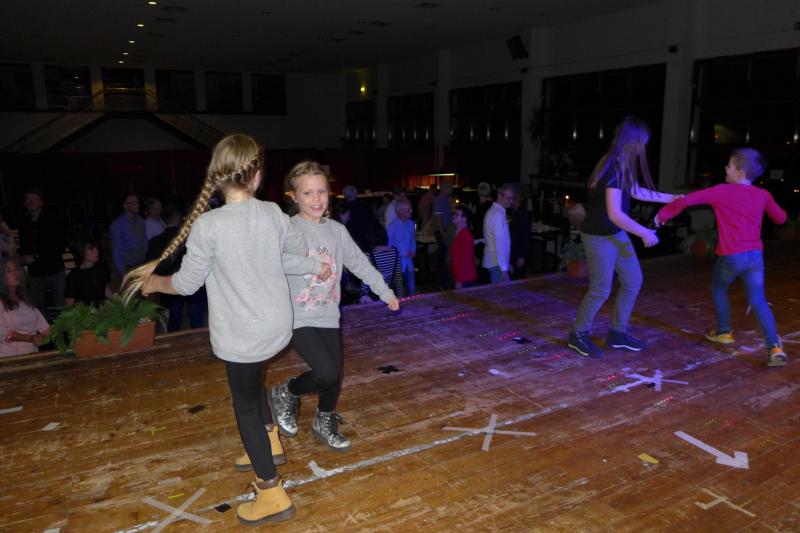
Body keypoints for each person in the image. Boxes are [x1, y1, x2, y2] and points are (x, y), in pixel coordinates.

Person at [123, 134, 330, 525]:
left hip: (243, 335)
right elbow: (287, 256)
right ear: (257, 175)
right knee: (255, 380)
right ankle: (270, 440)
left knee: (245, 404)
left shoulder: (209, 225)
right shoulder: (272, 212)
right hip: (276, 327)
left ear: (217, 176)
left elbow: (186, 284)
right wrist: (313, 265)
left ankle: (271, 494)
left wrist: (154, 283)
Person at [269, 160, 399, 453]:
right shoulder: (288, 228)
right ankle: (286, 391)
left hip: (328, 313)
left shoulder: (337, 231)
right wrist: (312, 265)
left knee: (333, 376)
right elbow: (273, 261)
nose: (316, 199)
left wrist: (384, 291)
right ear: (293, 196)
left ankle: (323, 420)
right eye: (307, 193)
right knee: (327, 371)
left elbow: (359, 263)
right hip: (297, 315)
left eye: (321, 192)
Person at [656, 148, 788, 367]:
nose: (725, 168)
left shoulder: (721, 191)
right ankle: (775, 348)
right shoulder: (762, 194)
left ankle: (724, 332)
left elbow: (686, 200)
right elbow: (781, 218)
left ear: (739, 172)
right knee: (758, 300)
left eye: (729, 165)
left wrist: (663, 215)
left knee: (719, 288)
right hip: (755, 257)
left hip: (731, 256)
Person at [567, 118, 680, 359]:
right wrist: (644, 232)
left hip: (614, 233)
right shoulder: (613, 168)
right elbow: (615, 214)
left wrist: (671, 198)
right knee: (601, 289)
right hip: (598, 235)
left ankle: (618, 334)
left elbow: (636, 191)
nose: (643, 148)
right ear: (633, 142)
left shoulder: (622, 164)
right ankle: (578, 334)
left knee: (633, 280)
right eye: (643, 143)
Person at [146, 203, 207, 331]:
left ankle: (172, 339)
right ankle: (198, 338)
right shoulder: (189, 238)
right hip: (192, 283)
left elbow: (152, 266)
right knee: (196, 316)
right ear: (179, 219)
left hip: (168, 285)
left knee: (174, 318)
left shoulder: (154, 241)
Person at [18, 189, 66, 313]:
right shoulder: (24, 222)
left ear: (41, 202)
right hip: (35, 274)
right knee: (37, 310)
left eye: (34, 199)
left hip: (54, 270)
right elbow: (25, 246)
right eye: (28, 200)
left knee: (60, 307)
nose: (31, 202)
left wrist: (36, 256)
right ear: (25, 203)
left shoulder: (53, 220)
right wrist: (20, 256)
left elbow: (60, 246)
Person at [1, 257, 50, 357]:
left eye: (16, 269)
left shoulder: (26, 300)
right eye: (9, 271)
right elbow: (4, 334)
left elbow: (45, 328)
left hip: (32, 354)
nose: (15, 273)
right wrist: (31, 338)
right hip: (9, 358)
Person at [359, 223, 405, 302]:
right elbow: (398, 276)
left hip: (375, 293)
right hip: (390, 291)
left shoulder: (370, 254)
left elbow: (367, 278)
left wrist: (363, 294)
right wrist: (400, 296)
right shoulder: (395, 251)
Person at [64, 236, 112, 306]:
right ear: (81, 252)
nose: (96, 251)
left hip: (102, 309)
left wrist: (116, 302)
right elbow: (69, 304)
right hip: (84, 311)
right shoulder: (73, 276)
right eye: (91, 249)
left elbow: (105, 289)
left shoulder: (102, 268)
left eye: (96, 248)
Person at [482, 183, 514, 283]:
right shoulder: (498, 215)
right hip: (496, 263)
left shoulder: (495, 211)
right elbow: (500, 243)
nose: (511, 201)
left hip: (495, 262)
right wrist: (504, 269)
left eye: (512, 198)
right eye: (508, 198)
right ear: (499, 196)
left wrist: (506, 264)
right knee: (501, 291)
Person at [110, 193, 147, 278]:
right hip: (128, 266)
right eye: (133, 203)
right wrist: (123, 273)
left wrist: (144, 260)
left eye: (137, 202)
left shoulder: (140, 220)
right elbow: (116, 251)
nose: (137, 205)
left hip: (141, 263)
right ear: (125, 206)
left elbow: (145, 240)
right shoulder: (117, 225)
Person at [387, 197, 416, 295]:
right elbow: (389, 246)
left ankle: (412, 304)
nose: (411, 211)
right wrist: (402, 253)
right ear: (400, 211)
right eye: (409, 209)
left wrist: (413, 250)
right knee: (399, 290)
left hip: (409, 261)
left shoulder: (411, 224)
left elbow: (413, 239)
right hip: (397, 263)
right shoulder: (392, 226)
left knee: (411, 288)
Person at [450, 205, 478, 289]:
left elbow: (465, 259)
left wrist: (459, 280)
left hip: (466, 278)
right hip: (463, 277)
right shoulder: (459, 232)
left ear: (464, 218)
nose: (453, 216)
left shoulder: (465, 235)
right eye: (454, 214)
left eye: (456, 214)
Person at [510, 189, 532, 280]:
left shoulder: (523, 214)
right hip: (514, 250)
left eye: (512, 199)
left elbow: (526, 237)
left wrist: (522, 256)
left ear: (517, 200)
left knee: (517, 277)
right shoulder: (515, 212)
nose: (510, 201)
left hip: (519, 252)